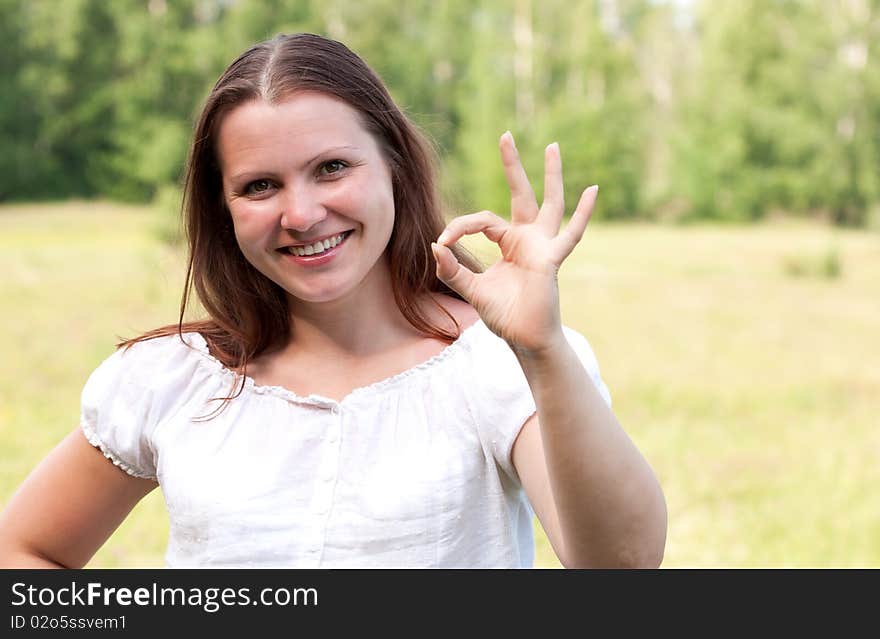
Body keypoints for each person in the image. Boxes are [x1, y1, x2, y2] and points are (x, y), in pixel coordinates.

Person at [0, 33, 666, 569]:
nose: (302, 212)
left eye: (332, 168)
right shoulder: (173, 378)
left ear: (394, 166)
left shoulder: (493, 366)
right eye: (260, 185)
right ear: (223, 208)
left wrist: (542, 349)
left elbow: (621, 567)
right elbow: (25, 550)